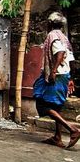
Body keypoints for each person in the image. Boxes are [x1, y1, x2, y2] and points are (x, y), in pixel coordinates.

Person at [32, 11, 79, 149]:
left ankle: (72, 129)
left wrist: (53, 71)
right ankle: (57, 137)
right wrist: (70, 77)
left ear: (50, 23)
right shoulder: (64, 37)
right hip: (64, 74)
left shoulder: (53, 35)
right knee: (57, 106)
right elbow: (69, 57)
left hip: (56, 75)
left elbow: (60, 54)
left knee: (42, 105)